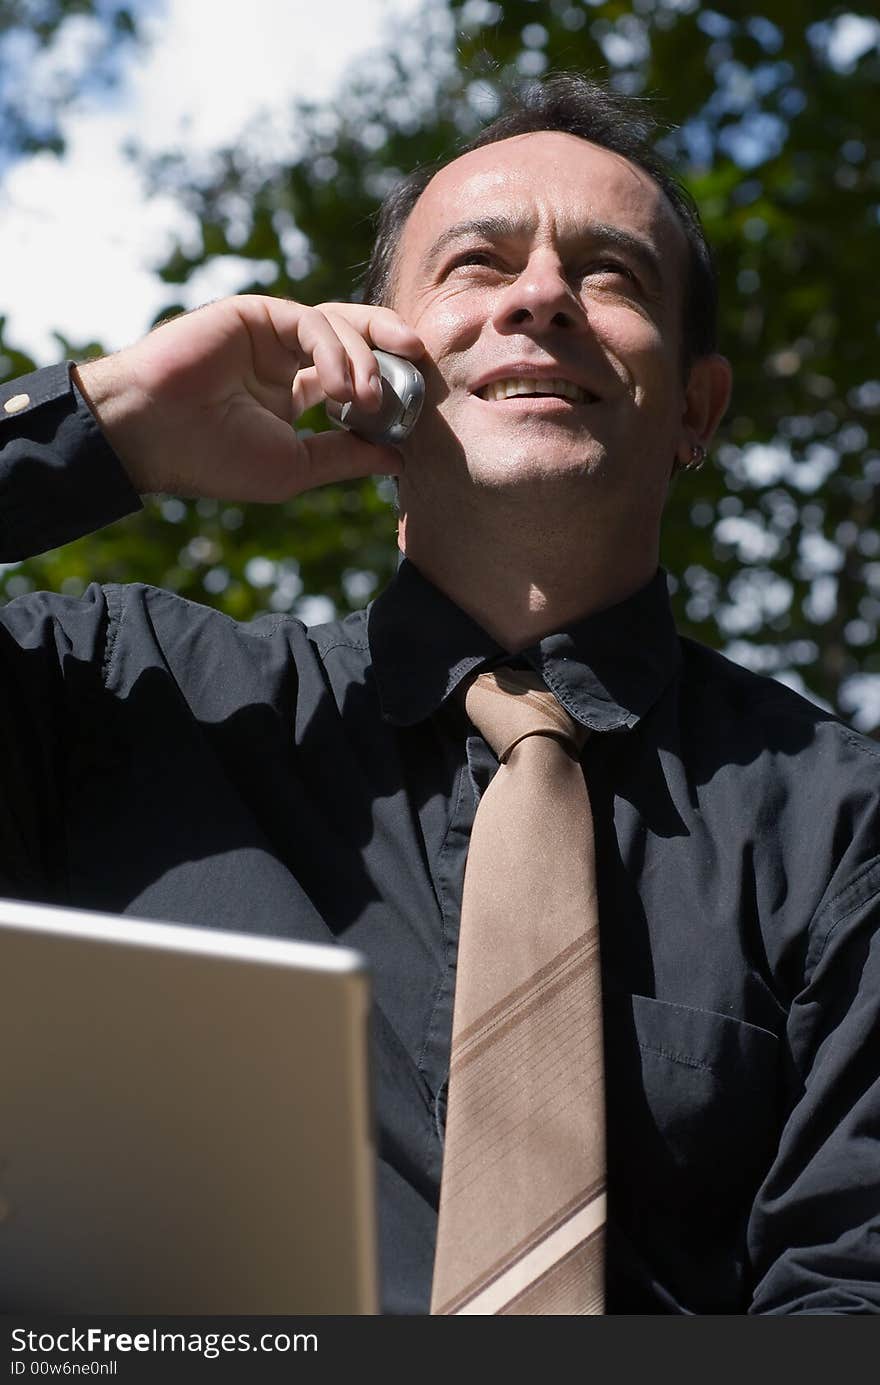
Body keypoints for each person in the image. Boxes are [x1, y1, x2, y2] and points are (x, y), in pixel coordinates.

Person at [1, 73, 879, 1315]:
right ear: (368, 354)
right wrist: (109, 423)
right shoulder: (110, 696)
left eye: (612, 275)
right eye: (476, 264)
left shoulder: (844, 826)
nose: (539, 296)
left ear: (696, 406)